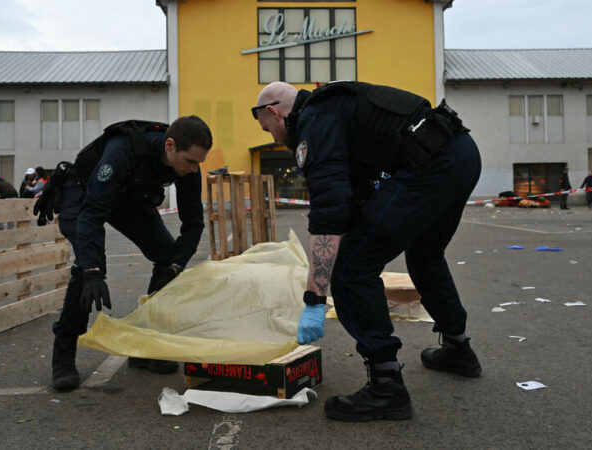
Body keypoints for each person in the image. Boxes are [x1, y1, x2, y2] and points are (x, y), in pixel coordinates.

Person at [253, 81, 482, 422]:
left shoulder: (315, 120)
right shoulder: (332, 110)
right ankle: (458, 348)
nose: (272, 136)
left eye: (267, 128)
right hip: (460, 155)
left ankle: (386, 386)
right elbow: (355, 196)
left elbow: (330, 209)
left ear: (274, 111)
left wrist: (315, 299)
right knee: (425, 255)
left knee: (350, 270)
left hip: (431, 166)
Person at [33, 116, 212, 391]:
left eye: (198, 163)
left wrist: (175, 267)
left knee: (167, 258)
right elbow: (92, 213)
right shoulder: (122, 151)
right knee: (86, 270)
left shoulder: (189, 166)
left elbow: (194, 223)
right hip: (83, 193)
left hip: (128, 198)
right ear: (170, 146)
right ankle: (64, 354)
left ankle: (145, 346)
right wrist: (93, 271)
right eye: (189, 161)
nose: (192, 169)